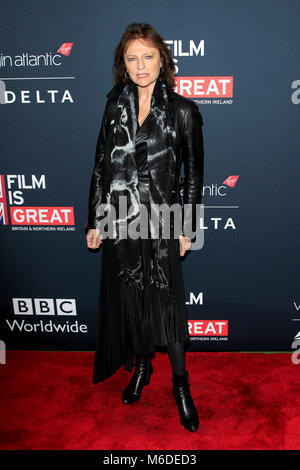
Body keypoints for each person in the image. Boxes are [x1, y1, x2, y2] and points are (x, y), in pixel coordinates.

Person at [86, 23, 204, 433]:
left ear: (162, 59)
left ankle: (180, 384)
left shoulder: (184, 111)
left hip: (163, 219)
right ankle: (141, 368)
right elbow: (102, 163)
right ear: (124, 63)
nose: (140, 66)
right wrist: (95, 219)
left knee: (167, 307)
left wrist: (187, 227)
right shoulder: (113, 106)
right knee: (133, 301)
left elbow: (192, 177)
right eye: (132, 58)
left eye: (147, 56)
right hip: (120, 218)